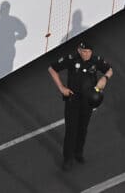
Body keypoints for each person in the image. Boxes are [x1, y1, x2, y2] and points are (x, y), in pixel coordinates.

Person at [47, 38, 113, 170]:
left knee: (83, 129)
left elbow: (110, 70)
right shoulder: (72, 59)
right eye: (84, 51)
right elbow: (52, 69)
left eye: (89, 51)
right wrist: (61, 88)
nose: (86, 54)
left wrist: (104, 78)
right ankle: (68, 159)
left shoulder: (95, 60)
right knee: (71, 130)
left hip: (88, 102)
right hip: (73, 100)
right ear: (79, 50)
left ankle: (78, 153)